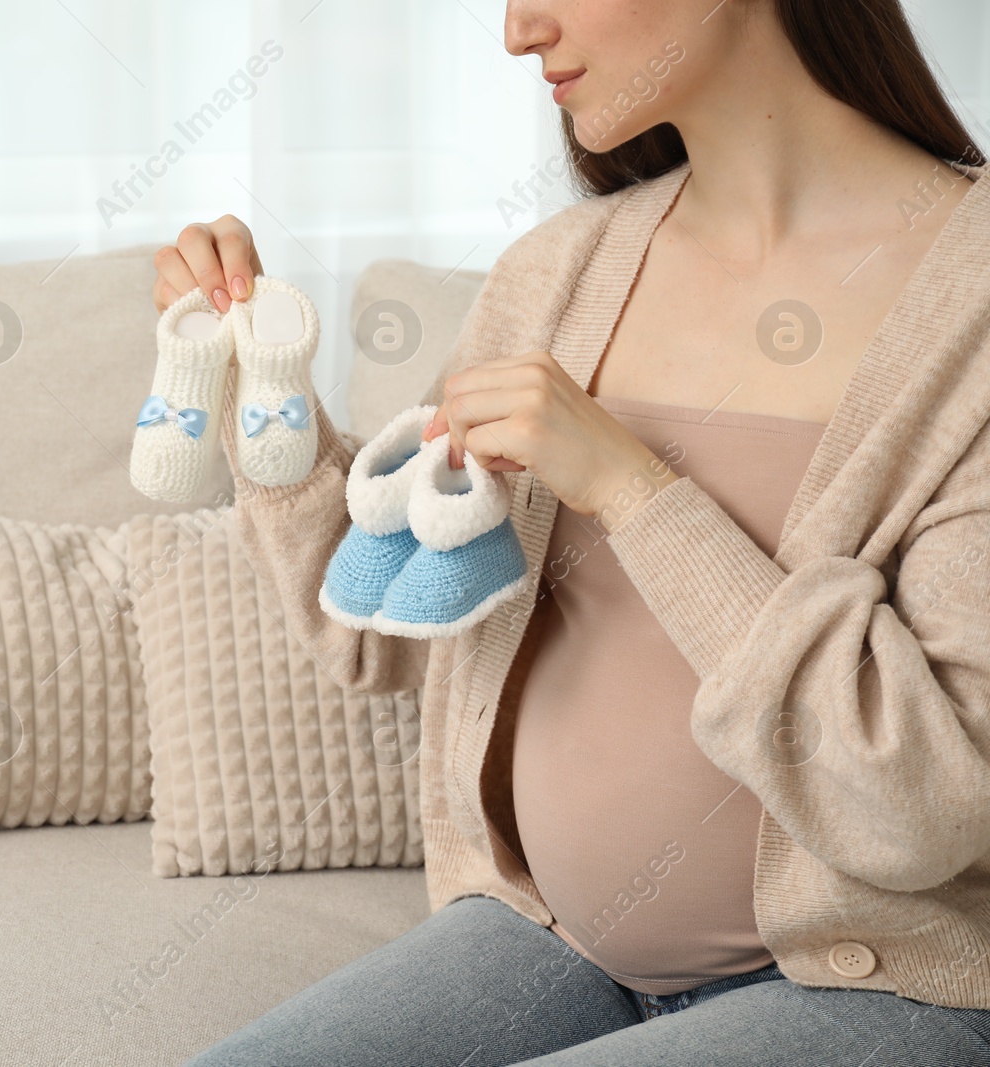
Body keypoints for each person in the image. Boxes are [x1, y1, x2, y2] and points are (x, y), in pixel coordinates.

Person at [157, 1, 990, 1063]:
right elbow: (374, 626)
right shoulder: (556, 273)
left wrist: (631, 486)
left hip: (890, 990)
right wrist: (254, 387)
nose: (517, 30)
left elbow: (923, 805)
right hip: (552, 946)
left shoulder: (968, 303)